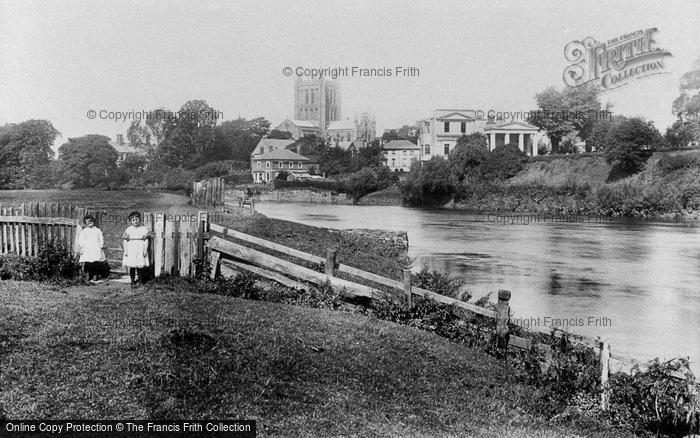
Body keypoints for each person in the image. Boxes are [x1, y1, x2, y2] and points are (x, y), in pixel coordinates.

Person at [122, 211, 150, 288]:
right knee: (132, 266)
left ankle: (140, 281)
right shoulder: (128, 229)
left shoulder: (143, 229)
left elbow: (146, 240)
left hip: (140, 248)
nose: (135, 221)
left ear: (140, 219)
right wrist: (126, 250)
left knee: (140, 267)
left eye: (137, 219)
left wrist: (145, 250)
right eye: (133, 220)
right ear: (131, 221)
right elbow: (125, 241)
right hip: (131, 248)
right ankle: (132, 280)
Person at [77, 214, 107, 283]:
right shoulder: (84, 231)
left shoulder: (97, 230)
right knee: (87, 262)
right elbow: (81, 239)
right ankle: (88, 274)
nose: (89, 223)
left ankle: (95, 274)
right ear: (85, 223)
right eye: (87, 222)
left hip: (95, 248)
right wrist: (82, 247)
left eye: (91, 221)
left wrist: (101, 245)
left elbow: (100, 238)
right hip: (87, 249)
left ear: (93, 221)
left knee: (95, 262)